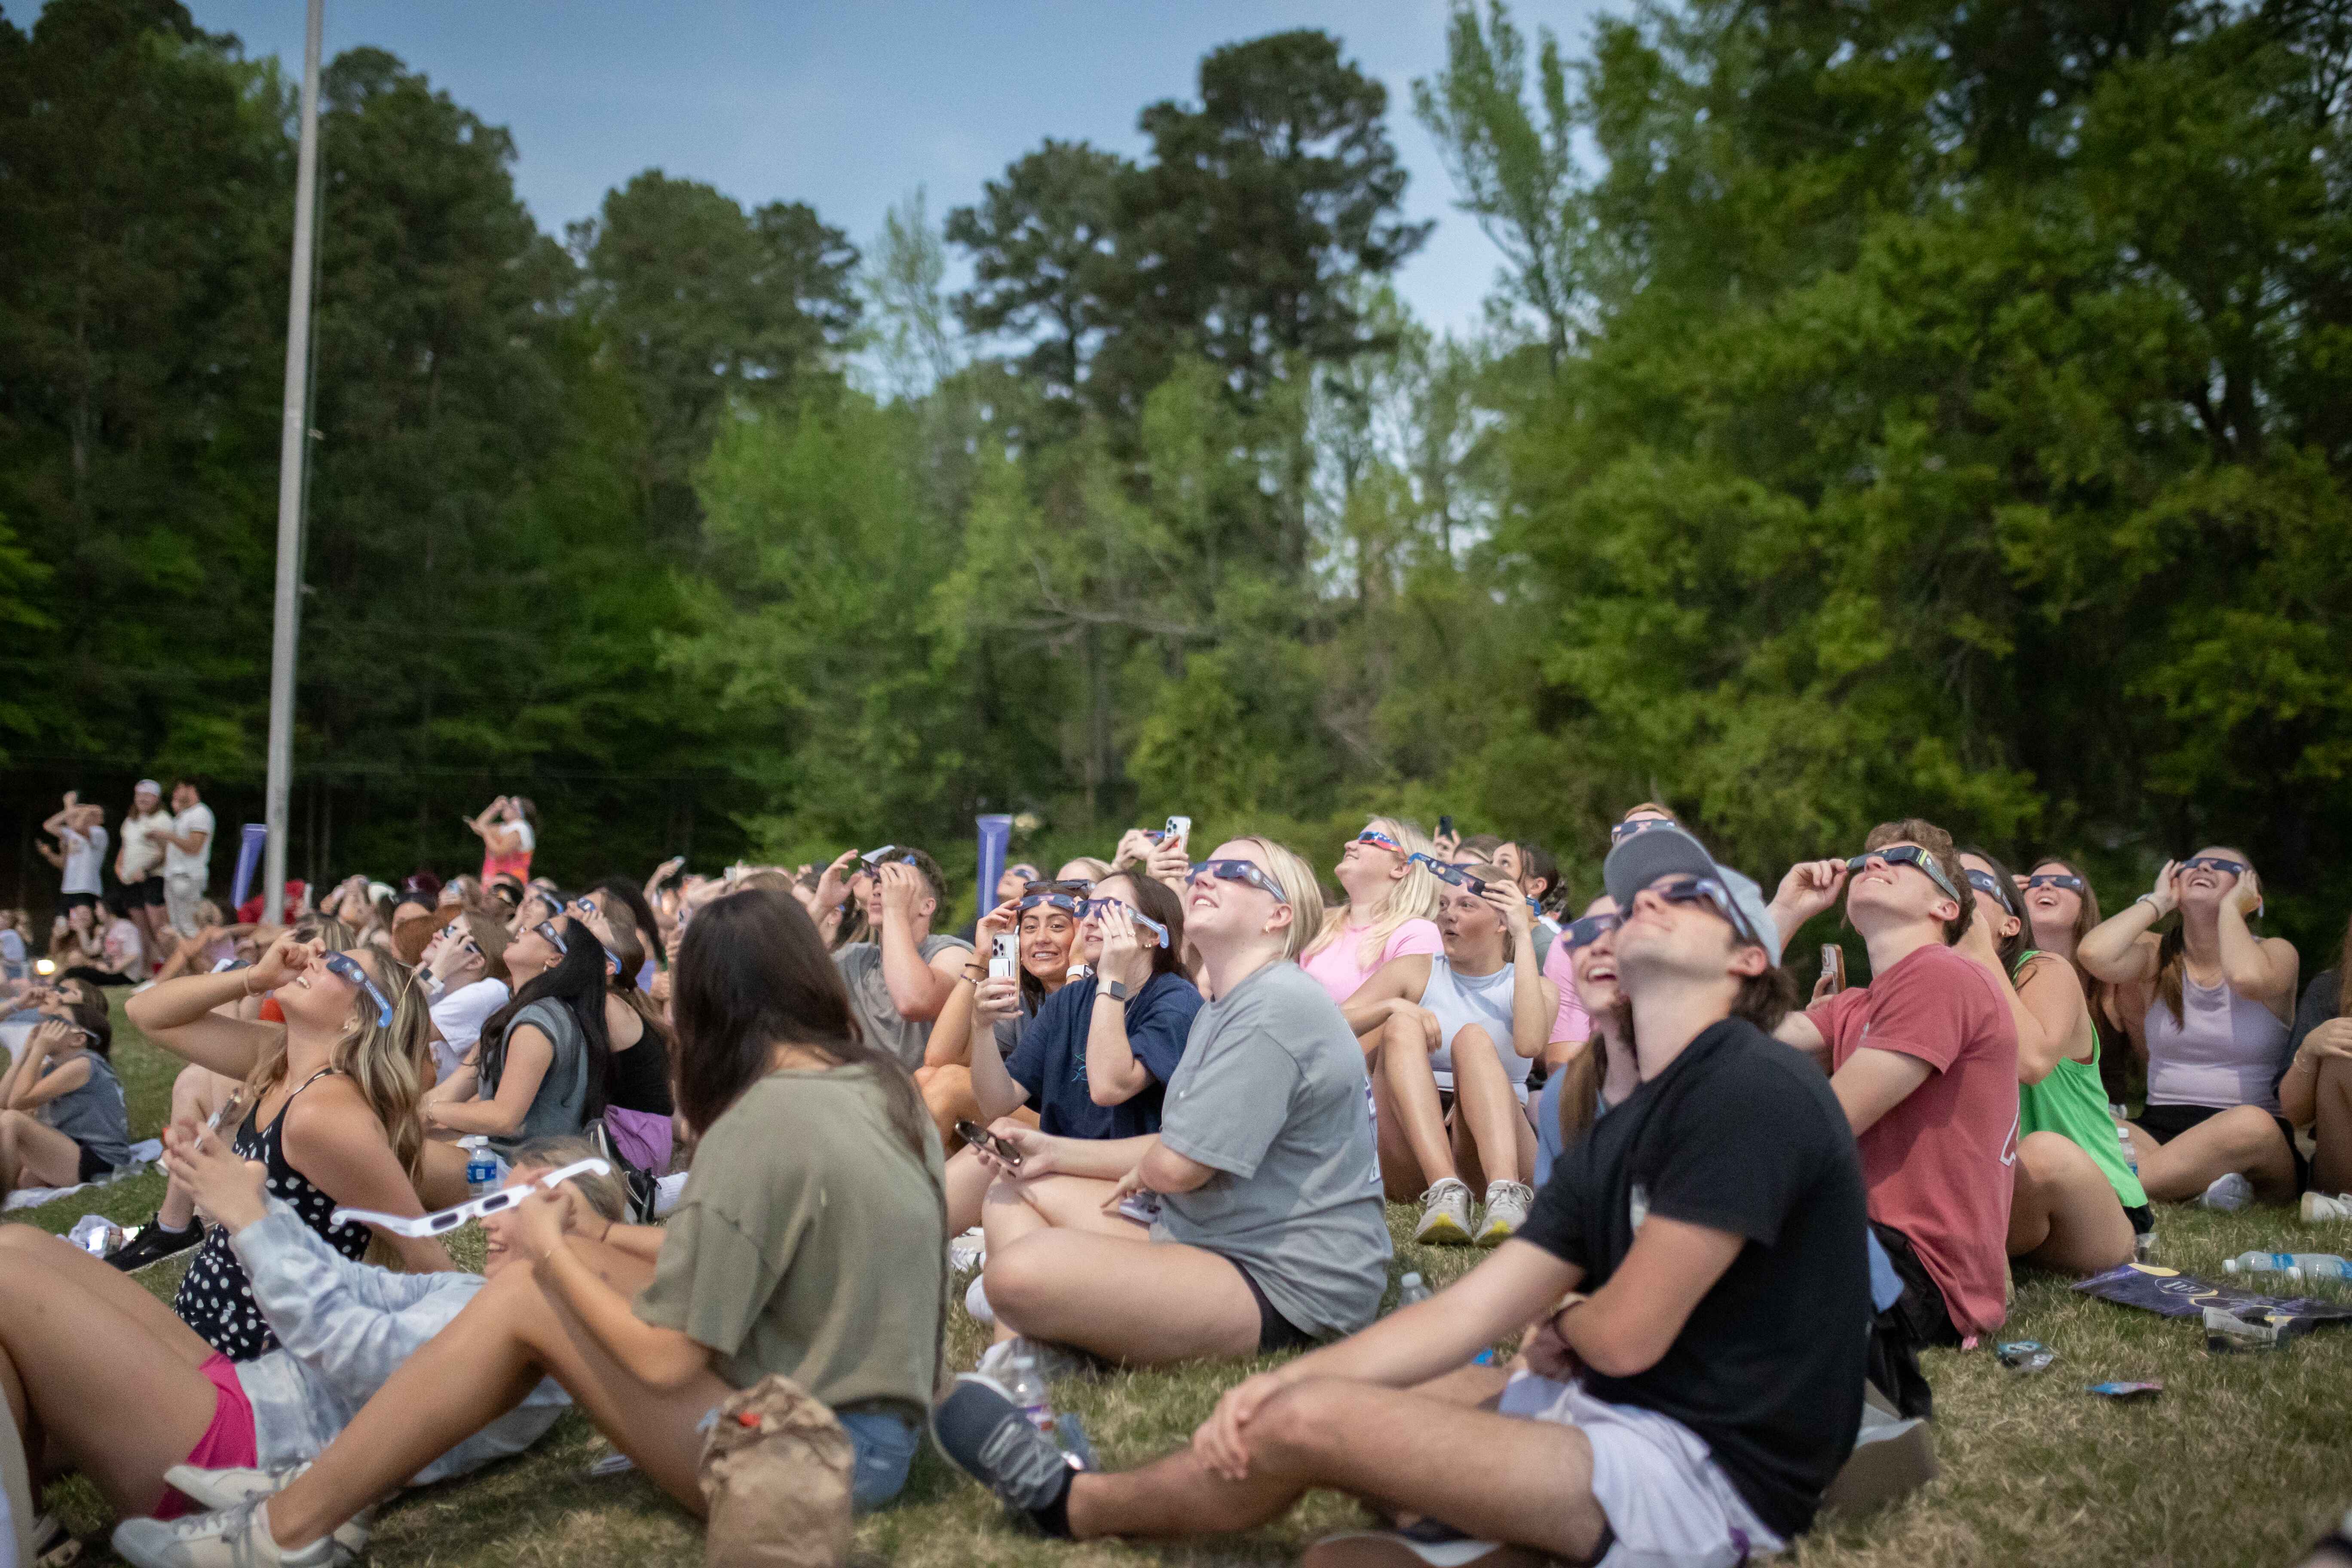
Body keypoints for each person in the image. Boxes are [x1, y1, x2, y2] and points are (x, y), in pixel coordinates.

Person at [934, 823, 1869, 1568]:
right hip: (1613, 1408)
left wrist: (1562, 1335)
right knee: (1390, 1409)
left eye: (1687, 897)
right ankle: (1483, 1530)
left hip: (1700, 1472)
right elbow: (1478, 1303)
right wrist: (1297, 1378)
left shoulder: (1747, 1089)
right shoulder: (1628, 1118)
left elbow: (1623, 1335)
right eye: (1635, 898)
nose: (1643, 906)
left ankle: (1078, 1504)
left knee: (1309, 1427)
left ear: (1749, 961)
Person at [111, 888, 947, 1566]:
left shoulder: (759, 1126)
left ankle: (292, 1526)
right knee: (547, 1274)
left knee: (526, 1299)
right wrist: (597, 1235)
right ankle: (331, 1492)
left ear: (705, 1008)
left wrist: (551, 1252)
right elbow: (745, 1256)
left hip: (816, 1459)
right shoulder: (884, 1090)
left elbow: (664, 1357)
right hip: (868, 1430)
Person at [0, 1139, 617, 1552]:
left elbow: (352, 1352)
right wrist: (258, 1202)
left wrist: (250, 1219)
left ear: (572, 1221)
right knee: (21, 1246)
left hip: (243, 1459)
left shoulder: (532, 1341)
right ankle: (29, 1519)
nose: (488, 1220)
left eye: (510, 1205)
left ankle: (22, 1522)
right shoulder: (480, 1292)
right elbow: (358, 1282)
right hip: (248, 1399)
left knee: (7, 1279)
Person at [968, 839, 1390, 1369]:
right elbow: (1180, 1147)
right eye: (1207, 867)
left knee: (1014, 1273)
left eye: (1234, 871)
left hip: (1286, 1279)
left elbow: (1177, 1164)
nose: (1206, 877)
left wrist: (1149, 1170)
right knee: (1010, 1196)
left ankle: (1037, 1345)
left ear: (1278, 916)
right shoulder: (1229, 1006)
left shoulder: (1273, 1007)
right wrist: (1049, 1151)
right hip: (1210, 1231)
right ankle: (1024, 1361)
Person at [1771, 819, 2018, 1390]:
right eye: (1866, 860)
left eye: (1904, 859)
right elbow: (1719, 1027)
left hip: (1918, 1273)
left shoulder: (1942, 974)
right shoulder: (1855, 1004)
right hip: (1860, 1243)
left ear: (1948, 908)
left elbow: (1823, 1127)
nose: (1873, 864)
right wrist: (1785, 911)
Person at [126, 932, 456, 1359]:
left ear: (359, 1019)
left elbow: (424, 1254)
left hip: (254, 1365)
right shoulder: (281, 1059)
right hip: (207, 1326)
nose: (315, 961)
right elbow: (147, 1013)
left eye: (339, 967)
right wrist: (255, 977)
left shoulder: (325, 1113)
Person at [951, 873, 1200, 1249]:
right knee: (997, 1137)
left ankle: (1017, 1281)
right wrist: (981, 1027)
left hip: (1136, 1190)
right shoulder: (1071, 1000)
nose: (1094, 919)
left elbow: (1109, 1087)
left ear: (1152, 936)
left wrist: (1111, 980)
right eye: (1089, 909)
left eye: (1111, 910)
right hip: (1064, 1166)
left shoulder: (1176, 1001)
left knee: (1011, 1184)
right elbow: (995, 1101)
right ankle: (889, 1247)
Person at [1342, 862, 1557, 1246]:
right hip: (1413, 1148)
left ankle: (1506, 1195)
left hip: (1493, 1141)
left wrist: (1524, 938)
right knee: (1401, 1025)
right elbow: (1327, 1024)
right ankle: (1445, 1190)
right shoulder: (1414, 971)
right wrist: (1391, 1007)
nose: (1448, 916)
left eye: (1466, 906)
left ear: (1502, 922)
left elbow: (1529, 1045)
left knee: (1473, 1040)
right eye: (1443, 905)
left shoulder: (1533, 986)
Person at [2079, 848, 2303, 1208]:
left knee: (2250, 1124)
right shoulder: (2158, 954)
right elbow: (2094, 954)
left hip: (2249, 1134)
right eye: (2192, 865)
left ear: (2252, 895)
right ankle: (2191, 1188)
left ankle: (2125, 1186)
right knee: (2087, 1117)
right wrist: (2157, 902)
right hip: (2160, 1129)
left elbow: (2247, 978)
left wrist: (2231, 911)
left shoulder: (2277, 953)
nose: (2205, 866)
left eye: (2226, 866)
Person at [1957, 848, 2138, 1273]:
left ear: (2010, 924)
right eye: (1943, 878)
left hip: (2091, 1209)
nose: (1954, 889)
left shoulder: (2044, 970)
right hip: (2001, 1205)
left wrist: (1980, 948)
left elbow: (2032, 1061)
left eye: (1970, 882)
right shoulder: (1930, 989)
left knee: (2041, 1154)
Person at [423, 913, 610, 1154]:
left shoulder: (537, 1022)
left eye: (541, 930)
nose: (525, 927)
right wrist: (402, 1118)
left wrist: (427, 1111)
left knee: (399, 1158)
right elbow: (450, 1091)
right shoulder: (511, 1014)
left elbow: (504, 1118)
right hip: (498, 1154)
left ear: (555, 959)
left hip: (530, 1169)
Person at [920, 880, 1080, 1153]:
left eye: (1057, 926)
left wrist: (1079, 964)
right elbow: (940, 1059)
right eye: (1030, 928)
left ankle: (891, 1188)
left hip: (1080, 1129)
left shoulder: (1100, 991)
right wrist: (982, 956)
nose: (1041, 938)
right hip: (1023, 1111)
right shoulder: (1025, 995)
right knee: (927, 1077)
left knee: (949, 1087)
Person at [815, 846, 973, 1072]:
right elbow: (774, 979)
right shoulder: (856, 959)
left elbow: (914, 1003)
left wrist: (895, 912)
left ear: (927, 906)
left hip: (922, 1099)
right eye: (877, 881)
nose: (880, 890)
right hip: (862, 1094)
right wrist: (821, 906)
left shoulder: (952, 953)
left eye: (897, 884)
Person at [1531, 895, 1640, 1187]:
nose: (1598, 947)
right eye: (1584, 933)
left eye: (1620, 929)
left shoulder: (1722, 1083)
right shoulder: (1564, 1095)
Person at [2018, 857, 2135, 1106]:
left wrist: (2157, 901)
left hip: (2102, 1120)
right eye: (2035, 882)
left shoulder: (2111, 983)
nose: (2046, 886)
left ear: (2084, 907)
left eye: (2063, 882)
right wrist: (1993, 900)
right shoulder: (1998, 970)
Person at [1298, 819, 1443, 1007]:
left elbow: (1400, 1022)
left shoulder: (1417, 934)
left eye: (1369, 839)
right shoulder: (1319, 924)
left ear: (1401, 867)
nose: (1349, 845)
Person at [0, 998, 130, 1194]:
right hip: (73, 1150)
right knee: (9, 1122)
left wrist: (38, 1050)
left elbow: (17, 1103)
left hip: (99, 1160)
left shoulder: (84, 1065)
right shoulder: (53, 1068)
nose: (45, 1025)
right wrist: (26, 1053)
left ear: (79, 1038)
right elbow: (5, 1101)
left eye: (57, 1021)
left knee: (12, 1121)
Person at [2282, 909, 2352, 1202]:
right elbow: (2294, 1114)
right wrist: (2310, 1048)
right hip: (2343, 1169)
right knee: (2341, 1053)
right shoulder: (2330, 989)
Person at [416, 911, 513, 1083]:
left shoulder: (490, 991)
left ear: (475, 961)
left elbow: (402, 1030)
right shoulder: (441, 988)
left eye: (451, 934)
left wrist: (435, 971)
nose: (437, 934)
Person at [118, 780, 175, 959]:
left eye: (147, 796)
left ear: (156, 798)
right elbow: (125, 848)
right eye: (139, 795)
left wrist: (146, 870)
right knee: (140, 927)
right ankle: (150, 969)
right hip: (130, 881)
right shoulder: (130, 821)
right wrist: (119, 868)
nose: (143, 799)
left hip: (153, 878)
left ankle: (172, 964)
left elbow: (167, 853)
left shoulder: (163, 820)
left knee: (158, 925)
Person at [154, 780, 217, 939]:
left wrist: (167, 835)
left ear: (191, 789)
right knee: (178, 929)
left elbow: (194, 847)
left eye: (178, 789)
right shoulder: (184, 815)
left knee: (190, 927)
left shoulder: (200, 813)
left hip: (187, 877)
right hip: (174, 876)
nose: (174, 793)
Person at [61, 890, 148, 987]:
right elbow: (91, 951)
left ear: (108, 909)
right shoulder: (105, 929)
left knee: (75, 973)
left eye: (98, 908)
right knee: (73, 972)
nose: (96, 912)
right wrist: (81, 930)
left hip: (125, 975)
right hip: (109, 970)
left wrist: (112, 969)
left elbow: (134, 954)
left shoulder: (126, 928)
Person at [41, 792, 108, 918]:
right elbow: (49, 826)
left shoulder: (99, 833)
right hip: (69, 888)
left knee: (83, 924)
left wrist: (70, 805)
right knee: (63, 925)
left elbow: (78, 827)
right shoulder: (73, 834)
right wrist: (72, 810)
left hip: (87, 888)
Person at [468, 796, 536, 886]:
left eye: (511, 806)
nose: (506, 807)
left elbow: (500, 851)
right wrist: (495, 808)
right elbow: (479, 827)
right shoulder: (506, 827)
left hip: (510, 883)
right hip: (496, 881)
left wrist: (486, 833)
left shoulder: (521, 828)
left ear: (520, 813)